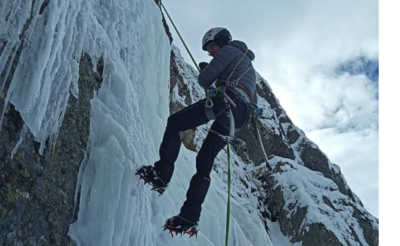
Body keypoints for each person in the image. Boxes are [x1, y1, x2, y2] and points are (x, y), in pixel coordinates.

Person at [136, 27, 258, 237]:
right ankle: (189, 217)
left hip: (226, 101)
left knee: (175, 123)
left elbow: (204, 80)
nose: (210, 52)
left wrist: (206, 70)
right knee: (204, 163)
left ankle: (161, 175)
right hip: (236, 119)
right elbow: (253, 101)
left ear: (221, 41)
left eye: (211, 47)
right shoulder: (249, 67)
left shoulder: (230, 50)